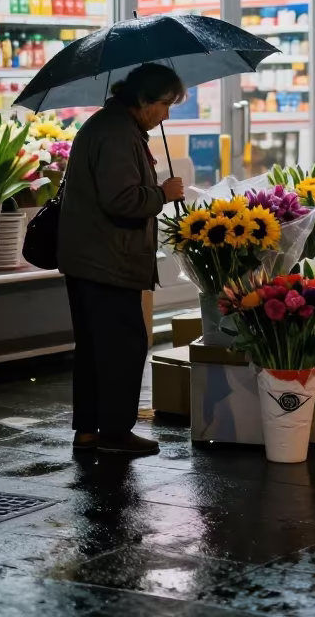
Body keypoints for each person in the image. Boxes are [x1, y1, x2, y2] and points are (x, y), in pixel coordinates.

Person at [57, 62, 187, 455]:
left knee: (97, 350)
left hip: (93, 258)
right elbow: (122, 200)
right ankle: (114, 432)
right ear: (144, 99)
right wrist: (162, 193)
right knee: (122, 347)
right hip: (107, 261)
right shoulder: (116, 133)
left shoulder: (114, 126)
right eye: (165, 104)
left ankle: (89, 431)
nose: (166, 114)